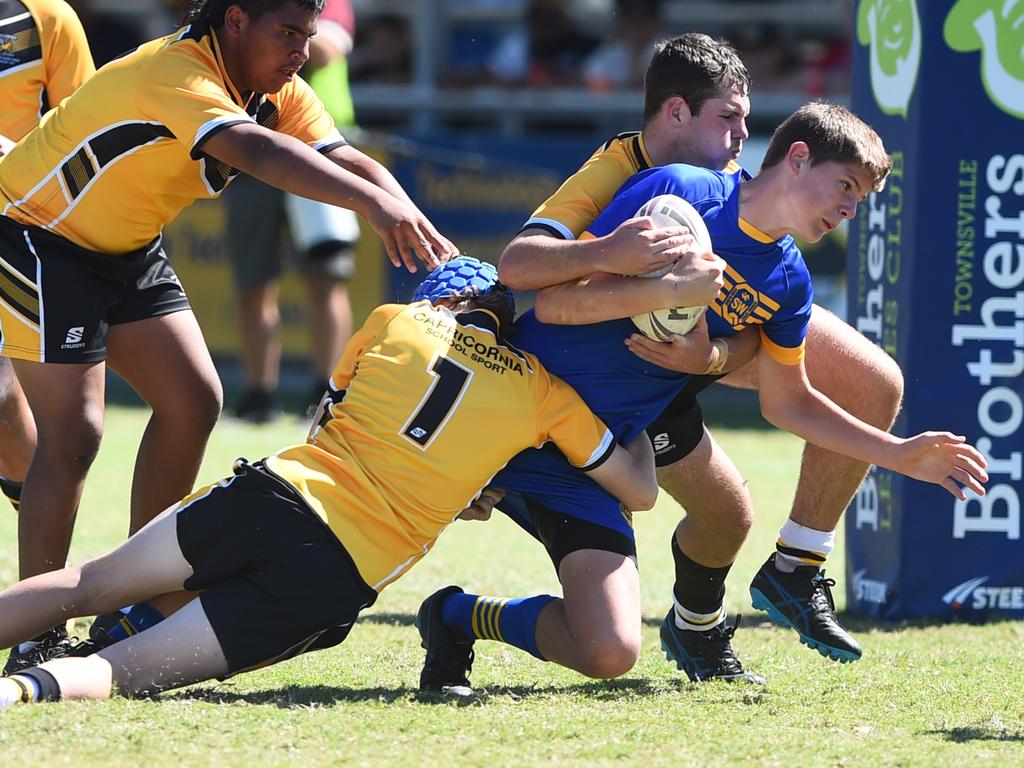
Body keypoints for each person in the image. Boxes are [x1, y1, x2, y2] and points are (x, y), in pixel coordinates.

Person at [415, 103, 988, 695]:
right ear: (796, 158)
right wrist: (669, 291)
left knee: (610, 650)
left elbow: (787, 402)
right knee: (371, 534)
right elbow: (556, 305)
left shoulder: (789, 281)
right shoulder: (681, 194)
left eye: (860, 199)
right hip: (508, 417)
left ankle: (457, 615)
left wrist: (899, 454)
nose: (849, 207)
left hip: (593, 459)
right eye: (845, 185)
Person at [0, 0, 455, 674]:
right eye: (289, 33)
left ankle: (132, 602)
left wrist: (410, 215)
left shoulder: (277, 89)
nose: (304, 48)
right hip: (38, 236)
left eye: (308, 32)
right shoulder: (177, 69)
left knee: (193, 400)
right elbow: (255, 150)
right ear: (235, 20)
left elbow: (344, 158)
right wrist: (374, 206)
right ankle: (34, 633)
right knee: (76, 432)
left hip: (125, 249)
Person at [0, 256, 659, 708]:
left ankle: (125, 619)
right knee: (117, 675)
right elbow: (638, 492)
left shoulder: (396, 319)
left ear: (446, 299)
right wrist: (649, 427)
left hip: (282, 492)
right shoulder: (541, 391)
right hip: (340, 571)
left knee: (88, 584)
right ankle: (17, 694)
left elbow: (327, 420)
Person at [495, 33, 907, 675]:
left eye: (747, 119)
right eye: (729, 118)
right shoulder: (630, 174)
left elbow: (775, 370)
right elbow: (525, 272)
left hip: (679, 351)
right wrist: (613, 257)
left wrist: (711, 356)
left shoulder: (759, 224)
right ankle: (693, 625)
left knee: (874, 384)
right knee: (716, 514)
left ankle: (796, 565)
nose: (744, 135)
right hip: (601, 363)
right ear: (677, 114)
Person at [225, 0, 362, 422]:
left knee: (326, 278)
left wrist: (285, 27)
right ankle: (258, 395)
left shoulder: (329, 4)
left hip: (320, 155)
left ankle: (328, 393)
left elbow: (327, 50)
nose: (298, 48)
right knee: (254, 280)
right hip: (251, 151)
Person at [0, 0, 95, 514]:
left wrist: (16, 159)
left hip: (11, 232)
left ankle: (39, 561)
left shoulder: (47, 16)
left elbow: (85, 128)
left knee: (2, 403)